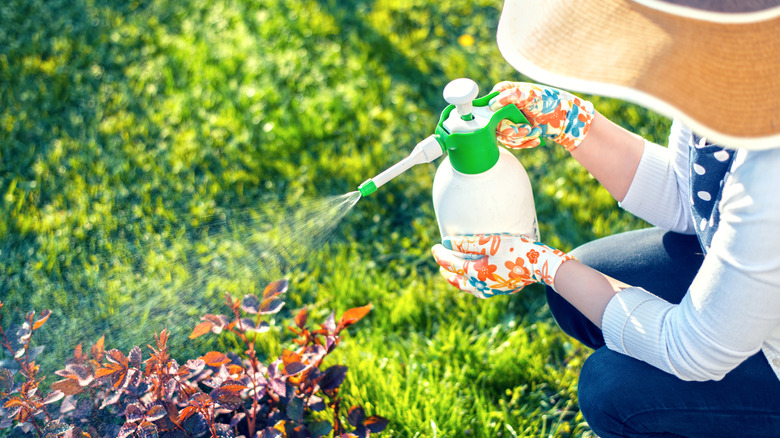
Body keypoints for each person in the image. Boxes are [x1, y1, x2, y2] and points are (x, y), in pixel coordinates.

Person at [431, 0, 780, 436]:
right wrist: (573, 122)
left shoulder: (771, 169)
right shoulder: (736, 78)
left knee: (612, 389)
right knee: (586, 283)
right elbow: (691, 197)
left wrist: (544, 265)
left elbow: (695, 351)